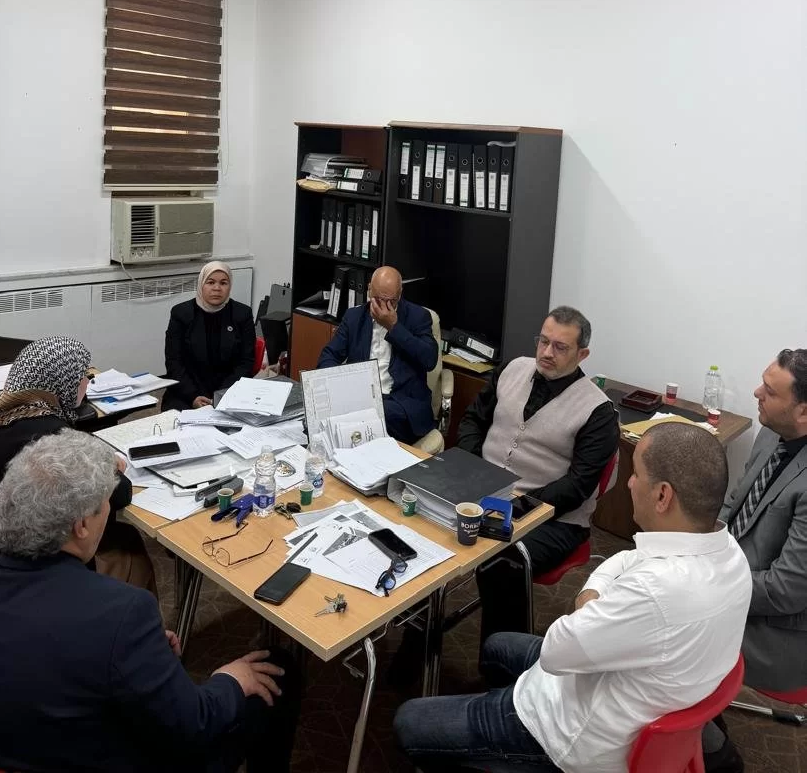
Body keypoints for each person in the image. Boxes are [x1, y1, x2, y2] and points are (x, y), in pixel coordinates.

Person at [394, 421, 752, 773]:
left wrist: (586, 603)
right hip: (617, 682)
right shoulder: (728, 554)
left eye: (636, 474)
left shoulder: (655, 591)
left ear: (662, 495)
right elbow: (626, 559)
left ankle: (506, 743)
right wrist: (595, 596)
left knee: (408, 721)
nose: (628, 482)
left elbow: (555, 653)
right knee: (497, 645)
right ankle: (493, 724)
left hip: (571, 736)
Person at [0, 429, 299, 773]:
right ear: (81, 525)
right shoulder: (122, 612)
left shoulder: (112, 620)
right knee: (277, 672)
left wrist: (138, 653)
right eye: (105, 505)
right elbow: (194, 724)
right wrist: (230, 680)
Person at [457, 306, 620, 640]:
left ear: (582, 354)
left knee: (503, 560)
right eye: (543, 341)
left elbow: (577, 487)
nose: (547, 352)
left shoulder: (599, 412)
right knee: (424, 526)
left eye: (560, 347)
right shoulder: (511, 369)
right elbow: (473, 420)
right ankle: (417, 643)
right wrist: (474, 470)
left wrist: (516, 505)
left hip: (554, 518)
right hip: (484, 490)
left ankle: (504, 660)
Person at [702, 347, 807, 773]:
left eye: (770, 391)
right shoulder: (771, 434)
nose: (756, 393)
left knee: (673, 627)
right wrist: (700, 547)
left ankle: (714, 752)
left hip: (778, 628)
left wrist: (713, 582)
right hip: (736, 581)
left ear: (803, 411)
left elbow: (786, 590)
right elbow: (733, 506)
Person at [0, 335, 155, 591]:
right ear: (63, 380)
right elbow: (120, 493)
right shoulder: (50, 433)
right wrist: (105, 463)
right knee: (127, 542)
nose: (87, 383)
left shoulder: (8, 414)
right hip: (41, 558)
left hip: (8, 552)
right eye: (84, 375)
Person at [317, 265, 438, 443]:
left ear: (400, 294)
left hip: (401, 403)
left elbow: (429, 359)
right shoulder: (354, 317)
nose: (384, 307)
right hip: (361, 396)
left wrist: (394, 327)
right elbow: (329, 355)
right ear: (369, 290)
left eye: (391, 301)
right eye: (378, 299)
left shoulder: (418, 316)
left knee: (372, 416)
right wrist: (337, 386)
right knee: (321, 417)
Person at [164, 260, 256, 411]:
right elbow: (174, 362)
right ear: (201, 284)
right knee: (176, 421)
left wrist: (222, 395)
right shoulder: (181, 313)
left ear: (230, 286)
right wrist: (193, 396)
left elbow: (246, 363)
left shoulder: (242, 314)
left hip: (229, 389)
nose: (217, 288)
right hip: (187, 390)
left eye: (223, 283)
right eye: (211, 282)